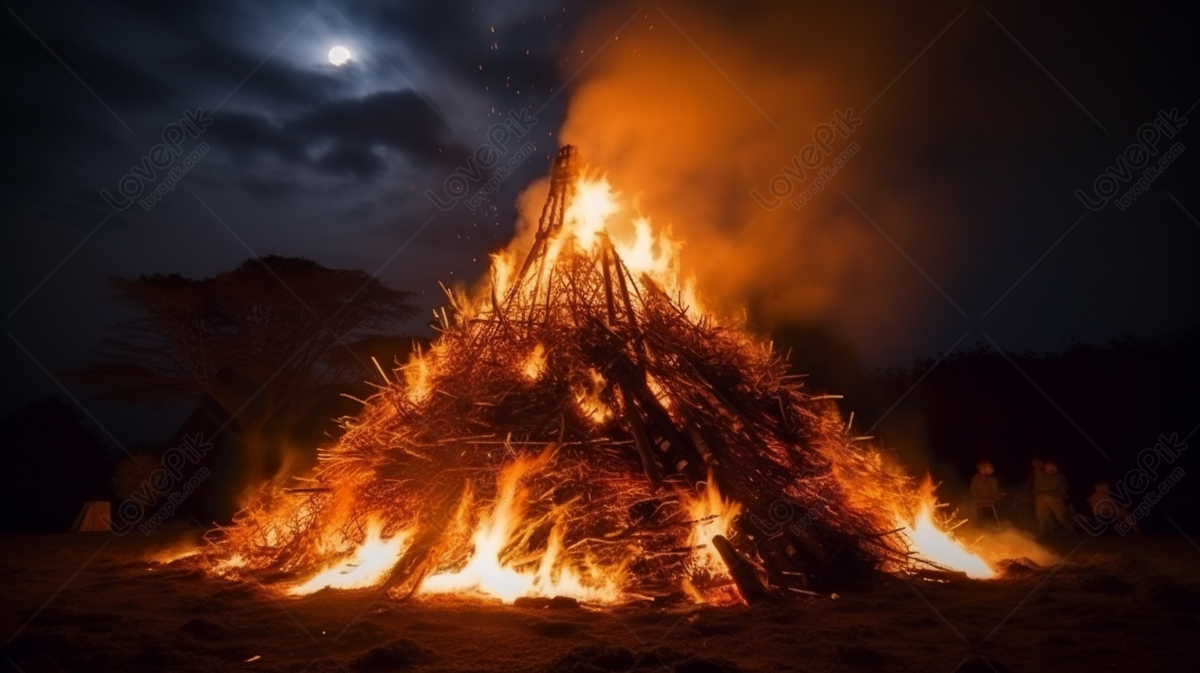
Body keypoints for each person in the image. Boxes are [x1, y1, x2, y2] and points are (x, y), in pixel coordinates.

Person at [1033, 460, 1077, 536]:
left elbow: (1057, 488)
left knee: (1062, 518)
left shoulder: (1059, 477)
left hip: (1056, 499)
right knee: (1042, 518)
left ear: (1056, 468)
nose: (1049, 469)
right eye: (1047, 467)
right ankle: (1044, 535)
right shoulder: (1041, 476)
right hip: (1042, 499)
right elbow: (1037, 487)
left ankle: (1074, 533)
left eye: (1052, 467)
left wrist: (1049, 493)